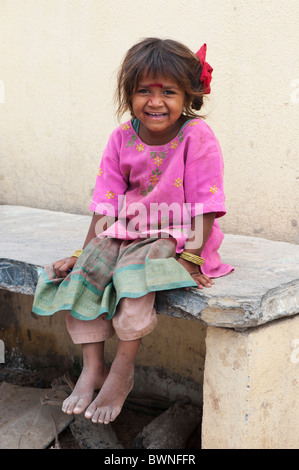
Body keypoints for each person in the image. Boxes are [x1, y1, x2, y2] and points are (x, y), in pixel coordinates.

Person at [32, 37, 233, 425]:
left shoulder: (197, 137)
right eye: (144, 90)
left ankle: (123, 368)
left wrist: (191, 258)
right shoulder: (121, 137)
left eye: (168, 92)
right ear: (129, 94)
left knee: (132, 276)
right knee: (88, 270)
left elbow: (208, 205)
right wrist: (81, 254)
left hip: (179, 236)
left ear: (189, 96)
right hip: (126, 230)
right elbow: (105, 204)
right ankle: (93, 367)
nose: (155, 101)